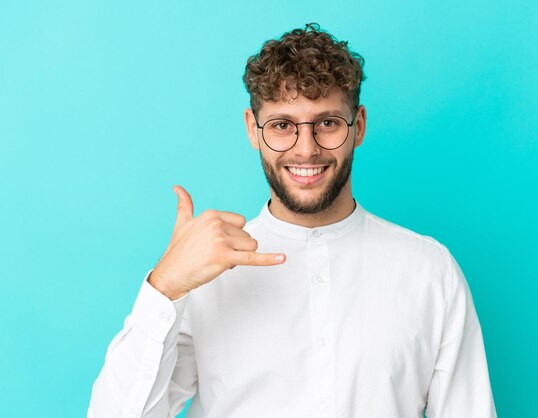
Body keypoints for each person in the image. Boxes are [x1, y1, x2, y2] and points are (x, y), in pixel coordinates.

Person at [88, 23, 497, 418]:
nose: (306, 149)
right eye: (282, 125)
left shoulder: (429, 271)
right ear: (253, 128)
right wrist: (165, 287)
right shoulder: (204, 273)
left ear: (359, 127)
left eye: (327, 123)